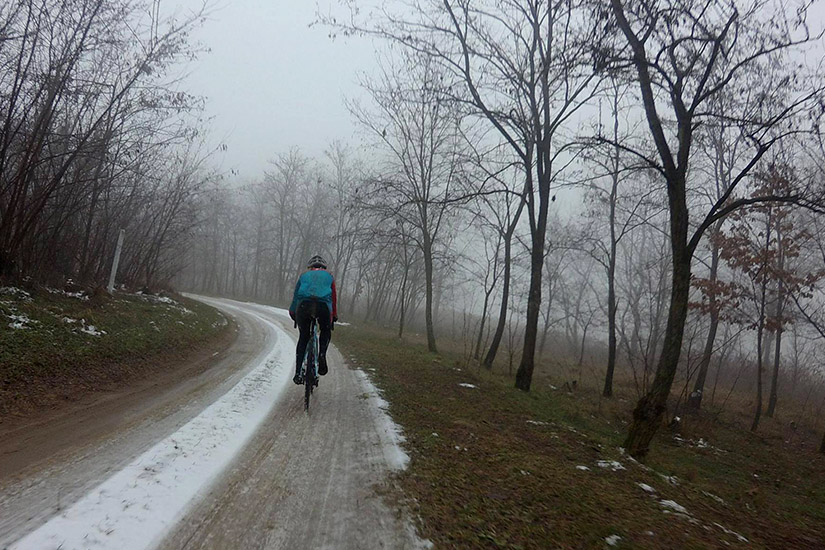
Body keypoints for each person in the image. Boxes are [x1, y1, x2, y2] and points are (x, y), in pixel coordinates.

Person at [288, 255, 337, 385]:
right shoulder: (329, 276)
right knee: (325, 331)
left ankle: (298, 373)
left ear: (310, 267)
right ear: (323, 268)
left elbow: (296, 296)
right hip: (322, 307)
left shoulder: (304, 276)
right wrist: (333, 316)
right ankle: (321, 354)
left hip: (304, 305)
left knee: (304, 337)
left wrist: (293, 312)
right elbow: (333, 298)